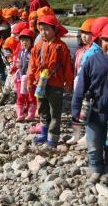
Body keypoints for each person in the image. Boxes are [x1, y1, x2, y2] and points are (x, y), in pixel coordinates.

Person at [71, 21, 108, 184]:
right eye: (106, 40)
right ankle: (95, 169)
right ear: (100, 41)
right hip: (93, 111)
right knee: (94, 144)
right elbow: (81, 87)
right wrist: (76, 109)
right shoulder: (93, 60)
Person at [27, 15, 73, 148]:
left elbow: (67, 67)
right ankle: (44, 132)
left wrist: (69, 82)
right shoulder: (38, 45)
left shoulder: (61, 46)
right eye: (41, 29)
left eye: (46, 29)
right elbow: (32, 65)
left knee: (55, 111)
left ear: (54, 30)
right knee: (42, 109)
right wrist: (30, 81)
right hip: (40, 83)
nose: (43, 32)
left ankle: (53, 138)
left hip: (56, 84)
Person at [67, 18, 95, 145]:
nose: (84, 36)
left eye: (87, 33)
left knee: (87, 108)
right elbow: (74, 66)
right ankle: (76, 134)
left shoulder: (95, 51)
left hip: (88, 84)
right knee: (76, 106)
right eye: (82, 33)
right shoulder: (79, 50)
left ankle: (86, 133)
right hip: (77, 81)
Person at [15, 28, 37, 122]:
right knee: (20, 96)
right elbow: (18, 62)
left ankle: (31, 114)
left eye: (27, 40)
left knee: (31, 96)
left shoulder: (33, 52)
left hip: (30, 79)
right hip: (20, 77)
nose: (24, 42)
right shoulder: (20, 52)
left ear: (31, 41)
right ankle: (20, 115)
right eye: (22, 40)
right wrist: (16, 64)